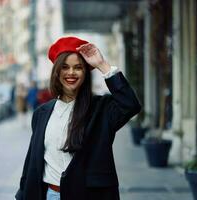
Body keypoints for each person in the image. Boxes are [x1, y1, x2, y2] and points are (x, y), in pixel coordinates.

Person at [15, 36, 141, 200]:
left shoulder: (101, 108)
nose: (71, 73)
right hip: (49, 195)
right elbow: (32, 159)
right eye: (65, 67)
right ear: (57, 72)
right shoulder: (42, 113)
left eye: (78, 67)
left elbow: (130, 105)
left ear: (85, 73)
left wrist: (102, 65)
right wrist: (22, 194)